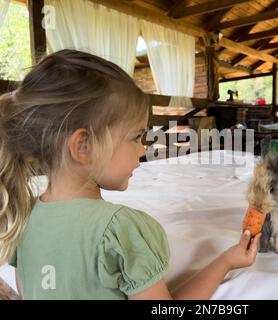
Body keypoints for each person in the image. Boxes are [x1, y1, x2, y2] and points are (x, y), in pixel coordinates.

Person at [0, 49, 261, 300]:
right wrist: (226, 261)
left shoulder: (23, 219)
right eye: (136, 136)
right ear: (84, 146)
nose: (143, 147)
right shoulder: (121, 230)